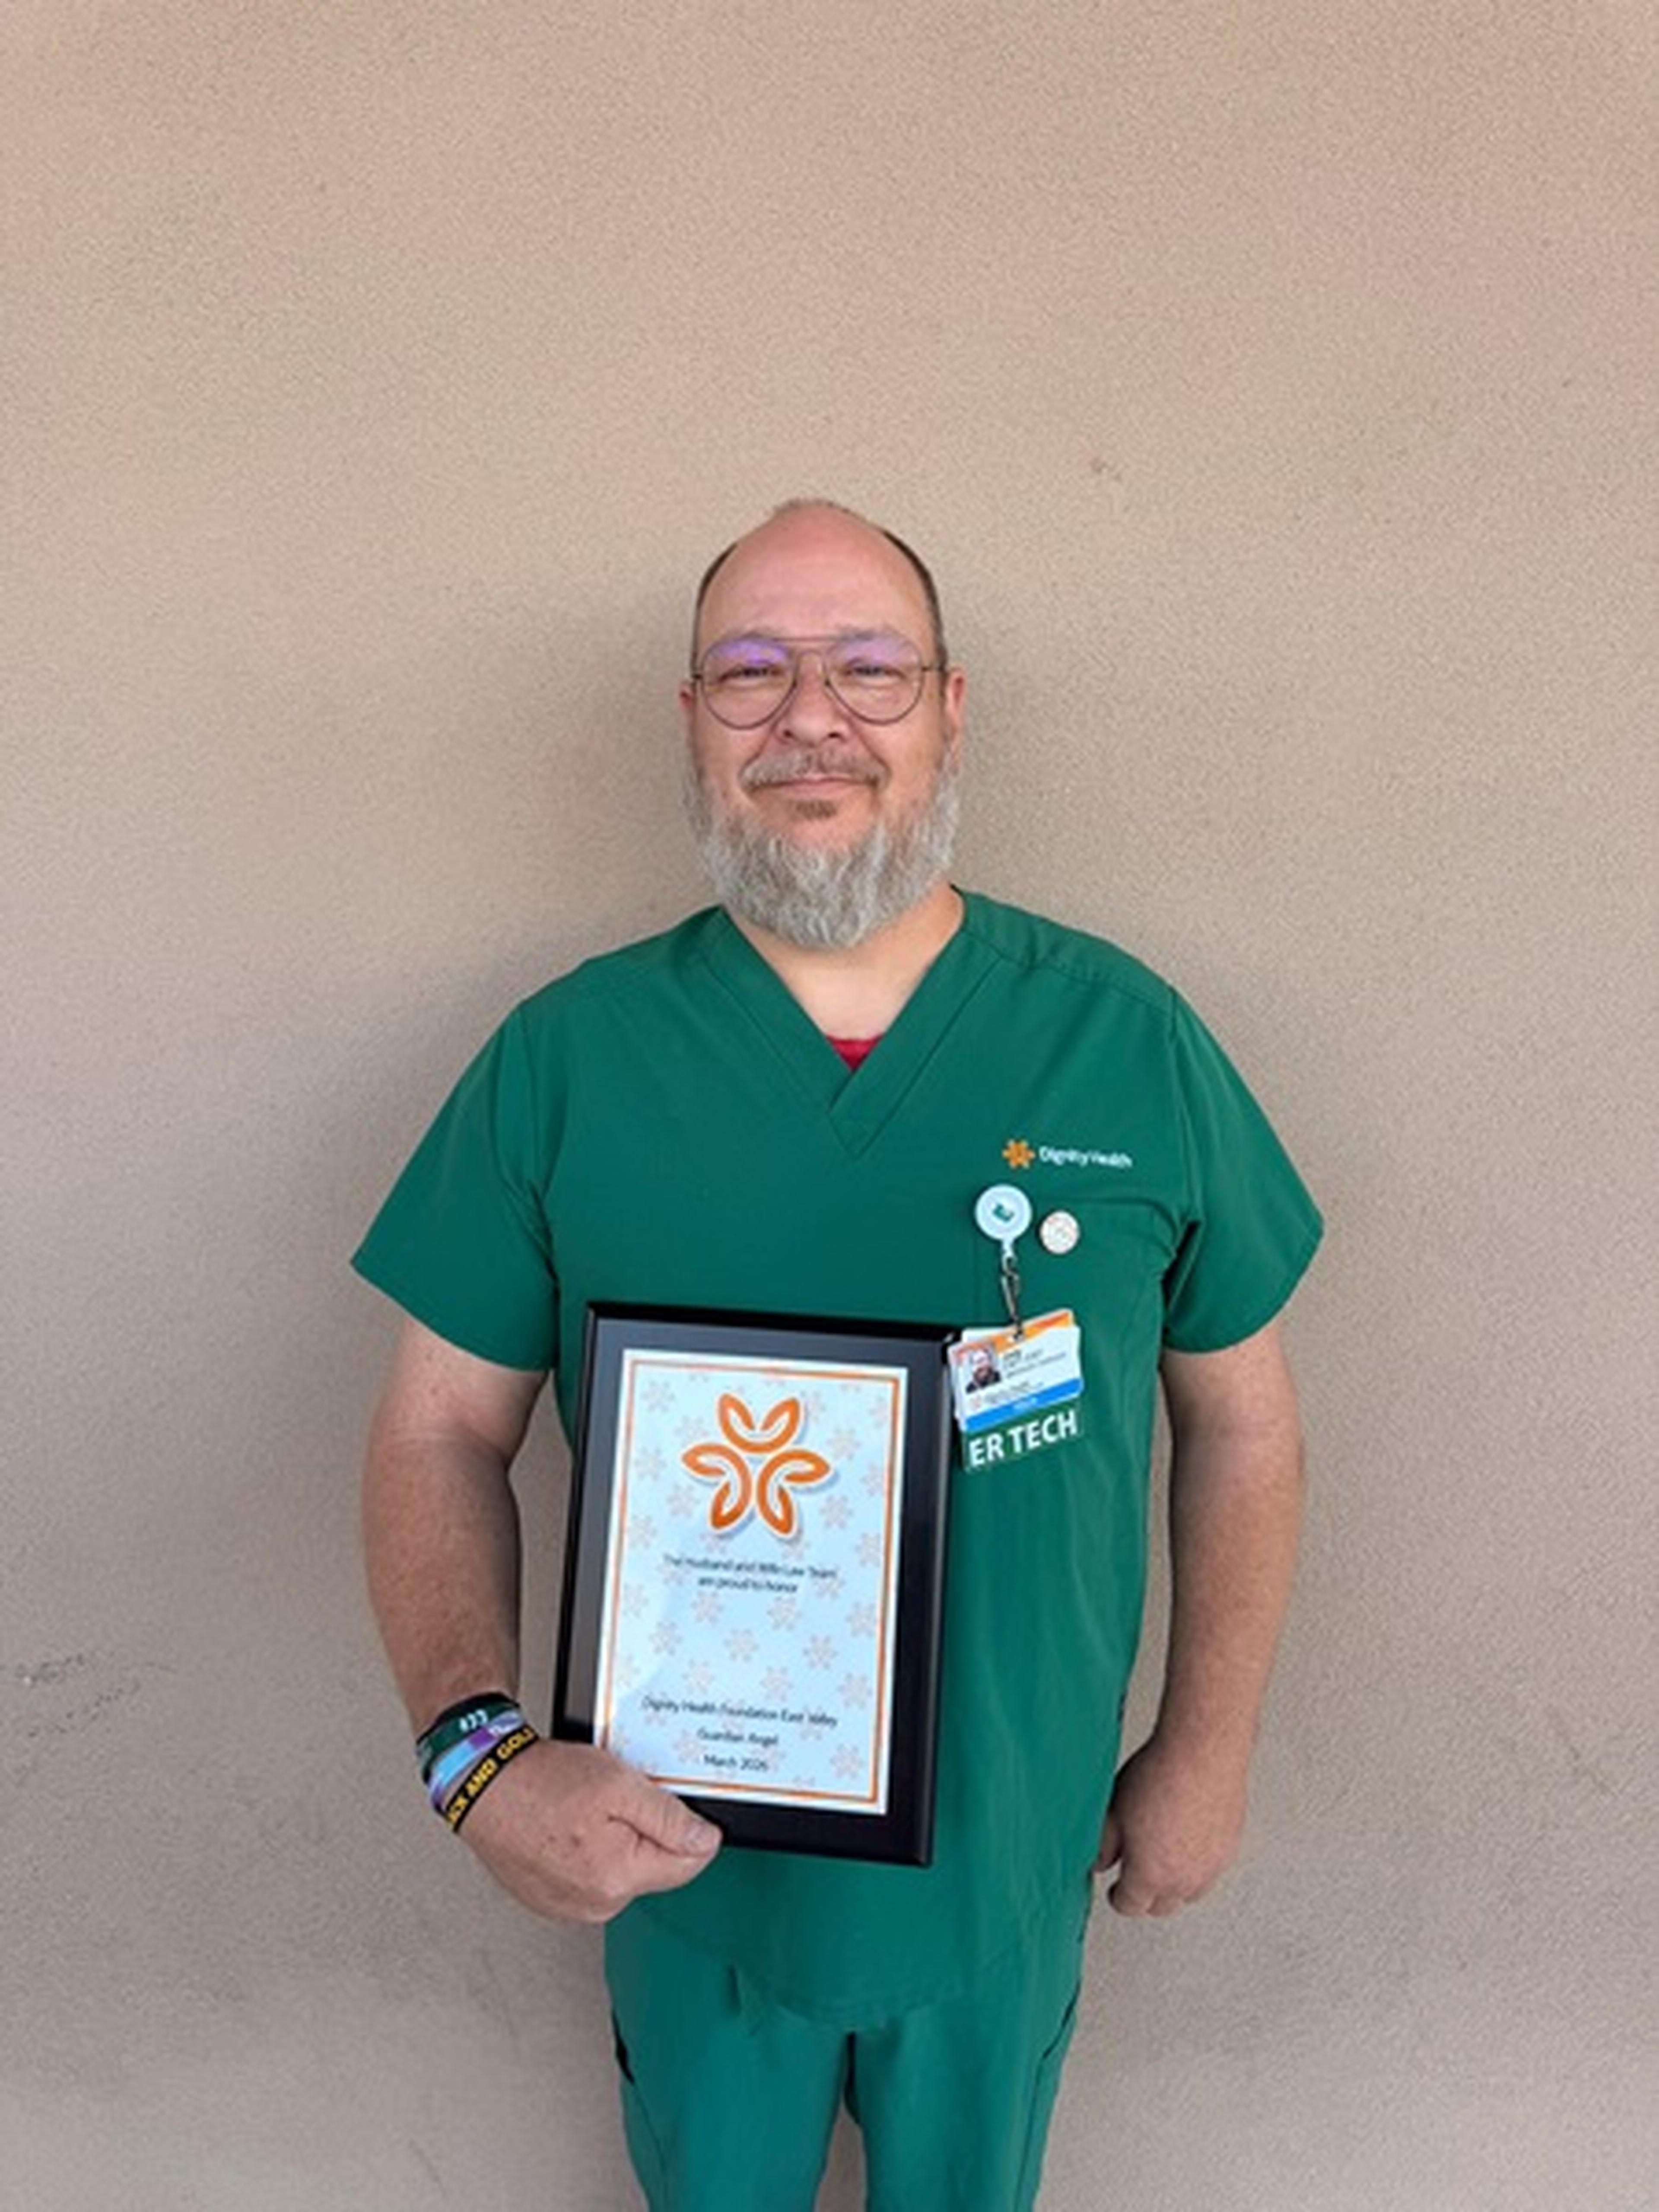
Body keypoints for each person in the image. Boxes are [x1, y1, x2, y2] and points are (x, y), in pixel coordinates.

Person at [354, 499, 1322, 2211]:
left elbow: (1241, 1422)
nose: (812, 716)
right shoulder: (567, 1059)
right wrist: (476, 1758)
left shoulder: (1126, 1039)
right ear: (692, 720)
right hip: (680, 1875)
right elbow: (436, 1432)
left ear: (954, 709)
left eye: (870, 666)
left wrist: (1208, 1744)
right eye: (753, 670)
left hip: (1006, 1871)